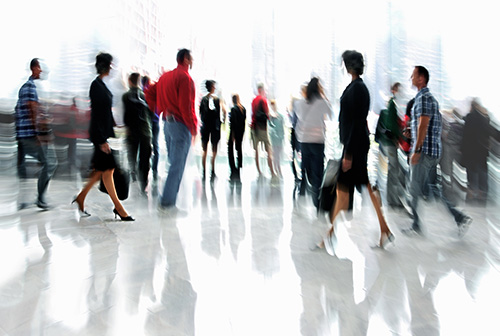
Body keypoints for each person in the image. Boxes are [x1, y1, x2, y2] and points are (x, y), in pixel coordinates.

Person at [320, 50, 393, 251]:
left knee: (344, 192)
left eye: (345, 63)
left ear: (350, 66)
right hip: (356, 145)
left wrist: (348, 154)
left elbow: (356, 122)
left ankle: (329, 235)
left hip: (354, 148)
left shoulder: (357, 89)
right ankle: (384, 229)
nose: (344, 67)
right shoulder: (358, 87)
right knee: (360, 188)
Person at [403, 66, 471, 237]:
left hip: (424, 152)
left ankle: (416, 225)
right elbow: (429, 126)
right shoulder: (431, 99)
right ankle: (459, 217)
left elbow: (423, 125)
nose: (411, 78)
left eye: (413, 75)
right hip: (433, 151)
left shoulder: (423, 98)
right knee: (432, 189)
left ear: (421, 79)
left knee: (413, 188)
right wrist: (412, 132)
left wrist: (416, 150)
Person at [73, 52, 134, 221]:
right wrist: (101, 140)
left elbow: (105, 113)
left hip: (103, 134)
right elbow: (98, 114)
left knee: (102, 171)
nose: (112, 68)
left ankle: (81, 197)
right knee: (107, 170)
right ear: (106, 66)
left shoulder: (101, 85)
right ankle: (119, 208)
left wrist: (115, 125)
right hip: (99, 136)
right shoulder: (96, 86)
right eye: (111, 64)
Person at [144, 48, 197, 211]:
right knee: (177, 164)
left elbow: (149, 93)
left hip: (167, 124)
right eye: (191, 59)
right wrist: (193, 127)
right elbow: (186, 107)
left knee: (173, 162)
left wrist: (159, 110)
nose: (193, 61)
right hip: (180, 125)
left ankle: (167, 198)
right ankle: (167, 202)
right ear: (186, 59)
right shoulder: (185, 78)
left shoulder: (165, 77)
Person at [16, 58, 58, 210]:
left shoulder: (26, 87)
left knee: (44, 163)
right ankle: (40, 199)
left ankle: (31, 199)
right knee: (50, 162)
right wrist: (39, 135)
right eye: (40, 67)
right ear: (34, 68)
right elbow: (32, 111)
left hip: (24, 134)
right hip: (30, 135)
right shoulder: (29, 87)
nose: (42, 70)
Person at [295, 77, 332, 210]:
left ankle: (301, 195)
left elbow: (299, 117)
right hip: (317, 141)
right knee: (318, 172)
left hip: (304, 140)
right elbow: (330, 114)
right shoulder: (322, 102)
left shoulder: (299, 103)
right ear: (318, 88)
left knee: (305, 169)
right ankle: (317, 203)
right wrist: (323, 95)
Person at [123, 72, 153, 195]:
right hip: (145, 130)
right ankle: (143, 185)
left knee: (132, 153)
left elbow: (126, 114)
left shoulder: (126, 96)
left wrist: (127, 127)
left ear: (130, 81)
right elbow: (150, 114)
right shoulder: (145, 95)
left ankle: (133, 173)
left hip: (133, 130)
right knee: (145, 159)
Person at [377, 82, 404, 207]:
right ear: (393, 90)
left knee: (392, 170)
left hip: (387, 142)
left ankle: (390, 198)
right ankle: (393, 200)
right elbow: (392, 124)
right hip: (390, 142)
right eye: (398, 90)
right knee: (394, 170)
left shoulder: (391, 104)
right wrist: (399, 137)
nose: (400, 92)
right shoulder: (393, 104)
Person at [461, 99, 490, 203]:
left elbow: (465, 136)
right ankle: (482, 195)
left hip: (471, 150)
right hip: (482, 150)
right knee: (482, 172)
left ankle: (472, 195)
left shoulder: (470, 118)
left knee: (472, 173)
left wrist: (462, 150)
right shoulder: (485, 118)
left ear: (472, 106)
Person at [250, 83, 276, 178]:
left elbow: (253, 113)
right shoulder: (263, 100)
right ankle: (272, 172)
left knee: (256, 150)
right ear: (262, 90)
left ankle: (259, 171)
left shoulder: (254, 100)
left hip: (254, 127)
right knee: (268, 150)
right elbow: (267, 114)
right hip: (263, 128)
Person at [199, 80, 221, 182]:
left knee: (204, 149)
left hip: (205, 127)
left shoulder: (203, 99)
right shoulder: (216, 100)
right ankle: (212, 170)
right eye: (214, 86)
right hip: (213, 128)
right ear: (211, 87)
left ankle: (204, 171)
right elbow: (217, 115)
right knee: (214, 149)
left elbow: (201, 114)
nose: (215, 88)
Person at [142, 76, 160, 187]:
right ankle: (155, 169)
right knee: (155, 145)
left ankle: (147, 168)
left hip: (146, 121)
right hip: (155, 119)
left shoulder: (143, 92)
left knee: (146, 145)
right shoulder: (153, 89)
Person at [228, 94, 246, 182]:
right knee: (239, 150)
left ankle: (233, 169)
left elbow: (233, 123)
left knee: (230, 150)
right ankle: (239, 168)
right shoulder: (243, 109)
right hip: (241, 132)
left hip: (234, 132)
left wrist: (232, 135)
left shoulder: (233, 109)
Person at [268, 99, 285, 178]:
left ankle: (277, 168)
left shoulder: (280, 116)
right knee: (275, 154)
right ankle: (277, 169)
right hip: (274, 138)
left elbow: (282, 127)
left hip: (279, 138)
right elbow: (270, 127)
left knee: (277, 154)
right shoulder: (271, 117)